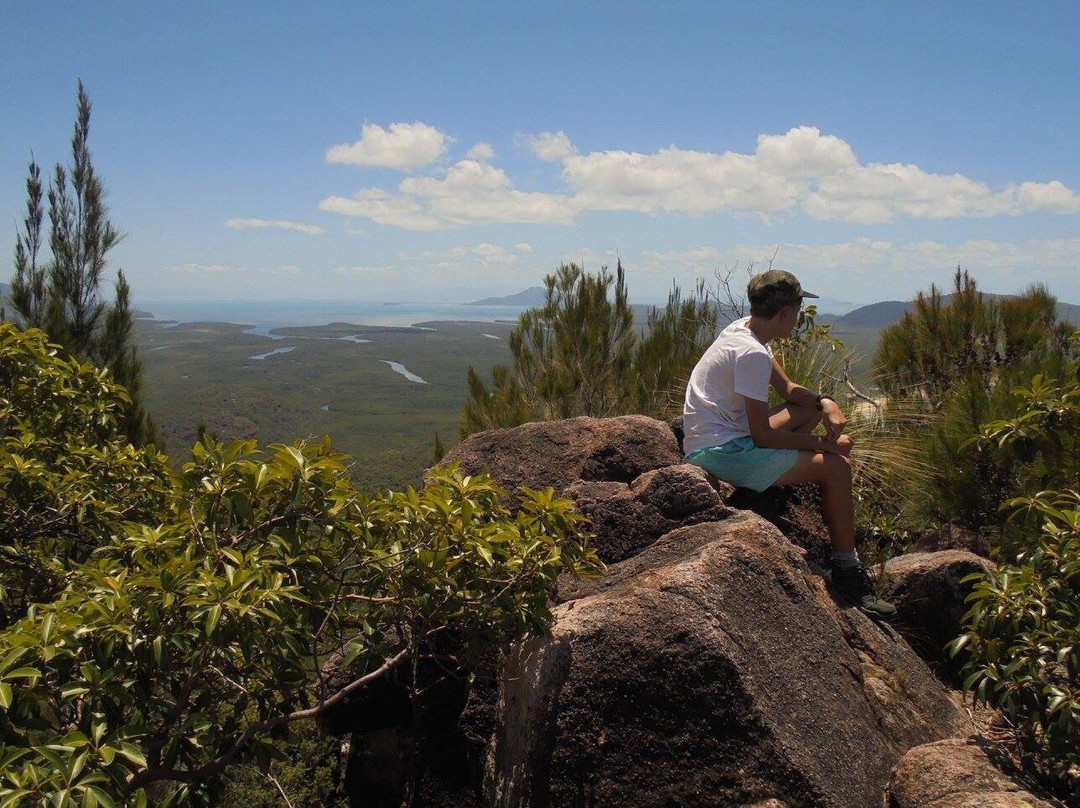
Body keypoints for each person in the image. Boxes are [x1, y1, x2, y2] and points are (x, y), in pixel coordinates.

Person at [683, 269, 896, 618]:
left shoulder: (743, 330)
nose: (797, 318)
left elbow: (789, 391)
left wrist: (825, 401)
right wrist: (826, 448)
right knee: (837, 470)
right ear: (785, 314)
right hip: (721, 453)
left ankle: (765, 483)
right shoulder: (750, 353)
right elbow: (762, 436)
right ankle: (847, 571)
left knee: (805, 408)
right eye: (796, 311)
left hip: (722, 437)